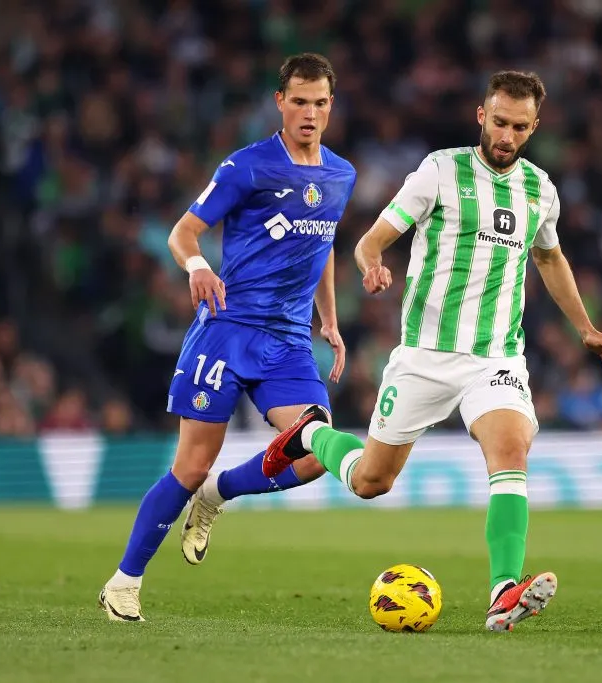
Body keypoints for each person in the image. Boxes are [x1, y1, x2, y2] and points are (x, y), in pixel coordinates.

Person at [262, 71, 602, 632]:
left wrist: (585, 328)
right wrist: (372, 264)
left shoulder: (540, 190)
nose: (506, 135)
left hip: (496, 359)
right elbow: (370, 240)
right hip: (424, 357)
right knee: (369, 483)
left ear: (534, 127)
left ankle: (504, 591)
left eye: (519, 127)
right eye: (499, 122)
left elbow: (549, 259)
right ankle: (310, 434)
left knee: (510, 450)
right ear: (482, 115)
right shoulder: (441, 170)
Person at [98, 53, 356, 622]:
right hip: (227, 331)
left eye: (319, 103)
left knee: (314, 453)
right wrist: (196, 266)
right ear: (280, 103)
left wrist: (330, 321)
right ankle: (123, 582)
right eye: (299, 101)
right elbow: (183, 232)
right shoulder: (247, 166)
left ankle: (218, 496)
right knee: (188, 465)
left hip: (288, 341)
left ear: (330, 106)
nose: (309, 113)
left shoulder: (341, 174)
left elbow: (325, 247)